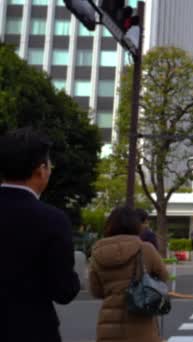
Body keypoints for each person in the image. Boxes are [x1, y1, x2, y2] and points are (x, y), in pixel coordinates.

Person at [0, 128, 80, 342]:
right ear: (41, 169)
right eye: (49, 163)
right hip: (32, 329)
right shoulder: (52, 220)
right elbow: (64, 291)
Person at [89, 206, 169, 342]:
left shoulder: (97, 253)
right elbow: (164, 277)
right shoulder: (146, 249)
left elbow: (96, 291)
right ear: (136, 225)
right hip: (141, 321)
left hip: (109, 325)